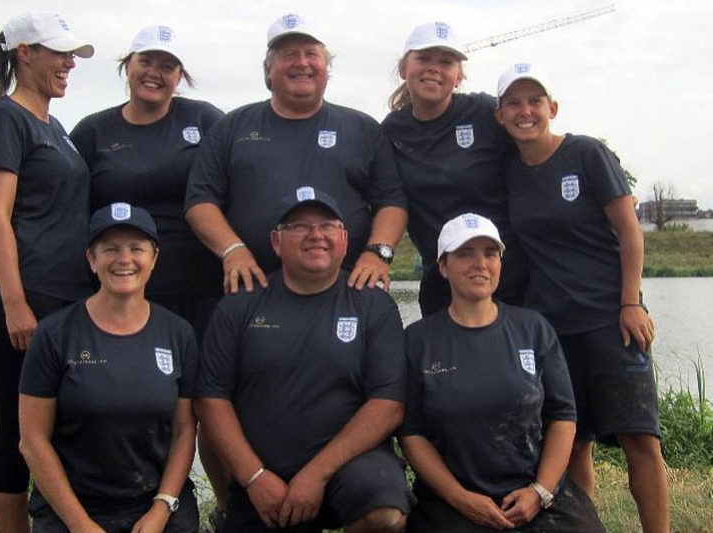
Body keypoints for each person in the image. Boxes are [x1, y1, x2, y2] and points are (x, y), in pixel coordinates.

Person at [495, 62, 668, 532]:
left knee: (640, 438)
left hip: (612, 319)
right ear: (500, 115)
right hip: (552, 327)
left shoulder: (587, 153)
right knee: (572, 441)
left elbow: (630, 232)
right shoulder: (508, 172)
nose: (525, 110)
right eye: (514, 102)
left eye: (535, 101)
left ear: (552, 108)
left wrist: (630, 301)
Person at [197, 186, 411, 532]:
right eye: (298, 227)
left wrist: (316, 473)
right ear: (276, 242)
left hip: (348, 467)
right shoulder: (239, 304)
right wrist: (254, 478)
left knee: (383, 513)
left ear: (344, 238)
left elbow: (388, 404)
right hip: (265, 474)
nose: (316, 235)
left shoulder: (374, 304)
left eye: (328, 226)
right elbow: (211, 400)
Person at [0, 12, 94, 532]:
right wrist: (15, 302)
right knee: (17, 428)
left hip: (65, 300)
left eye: (72, 55)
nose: (67, 64)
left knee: (61, 426)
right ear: (24, 53)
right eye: (58, 53)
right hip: (25, 299)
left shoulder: (54, 126)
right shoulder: (5, 119)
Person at [400, 213, 605, 532]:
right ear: (443, 266)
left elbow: (563, 416)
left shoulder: (534, 328)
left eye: (489, 253)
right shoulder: (417, 340)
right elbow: (412, 433)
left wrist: (540, 492)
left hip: (533, 492)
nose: (479, 263)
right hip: (451, 501)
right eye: (465, 253)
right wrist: (460, 498)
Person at [185, 13, 407, 297]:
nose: (302, 62)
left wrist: (379, 252)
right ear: (268, 69)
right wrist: (232, 249)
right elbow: (200, 201)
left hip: (347, 288)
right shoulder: (230, 127)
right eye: (289, 54)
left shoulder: (364, 129)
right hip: (252, 289)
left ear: (326, 67)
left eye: (311, 54)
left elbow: (391, 200)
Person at [19, 203, 199, 533]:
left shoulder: (179, 334)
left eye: (136, 248)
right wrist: (80, 524)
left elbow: (185, 430)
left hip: (154, 500)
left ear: (154, 257)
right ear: (92, 259)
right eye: (110, 249)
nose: (124, 259)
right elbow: (32, 440)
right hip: (72, 505)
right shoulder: (54, 334)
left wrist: (162, 507)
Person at [70, 25, 224, 340]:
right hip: (122, 294)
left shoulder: (206, 120)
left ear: (179, 76)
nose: (155, 73)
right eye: (146, 62)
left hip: (202, 293)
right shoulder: (93, 131)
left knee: (203, 387)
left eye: (167, 66)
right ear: (128, 65)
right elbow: (71, 212)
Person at [381, 22, 526, 317]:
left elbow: (538, 150)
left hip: (506, 275)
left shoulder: (486, 112)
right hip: (442, 278)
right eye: (423, 58)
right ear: (404, 67)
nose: (433, 68)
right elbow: (385, 198)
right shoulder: (390, 132)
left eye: (446, 61)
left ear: (458, 76)